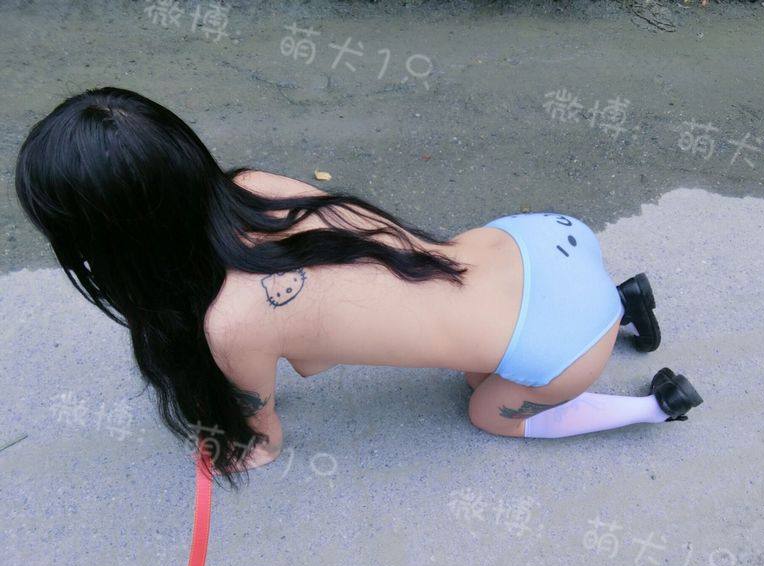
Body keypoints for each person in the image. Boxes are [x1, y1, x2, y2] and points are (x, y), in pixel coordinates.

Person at [14, 86, 702, 489]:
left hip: (562, 340)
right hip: (533, 241)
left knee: (486, 408)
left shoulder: (231, 324)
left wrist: (242, 442)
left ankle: (652, 407)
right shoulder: (252, 187)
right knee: (475, 353)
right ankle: (620, 300)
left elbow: (262, 437)